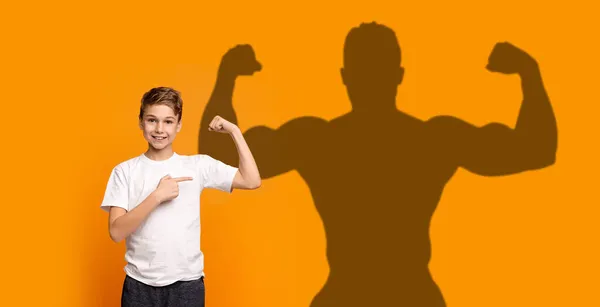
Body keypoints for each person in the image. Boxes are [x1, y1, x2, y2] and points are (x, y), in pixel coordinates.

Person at [199, 22, 557, 306]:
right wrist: (529, 72)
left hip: (346, 296)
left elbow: (217, 154)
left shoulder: (319, 141)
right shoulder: (432, 140)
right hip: (412, 297)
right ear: (398, 74)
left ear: (345, 76)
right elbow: (537, 149)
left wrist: (227, 77)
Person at [100, 86, 261, 307]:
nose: (159, 129)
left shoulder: (197, 166)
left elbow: (252, 180)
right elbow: (116, 232)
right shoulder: (124, 171)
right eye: (151, 120)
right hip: (138, 287)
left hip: (187, 286)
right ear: (140, 122)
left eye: (168, 121)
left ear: (179, 125)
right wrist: (156, 196)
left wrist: (235, 131)